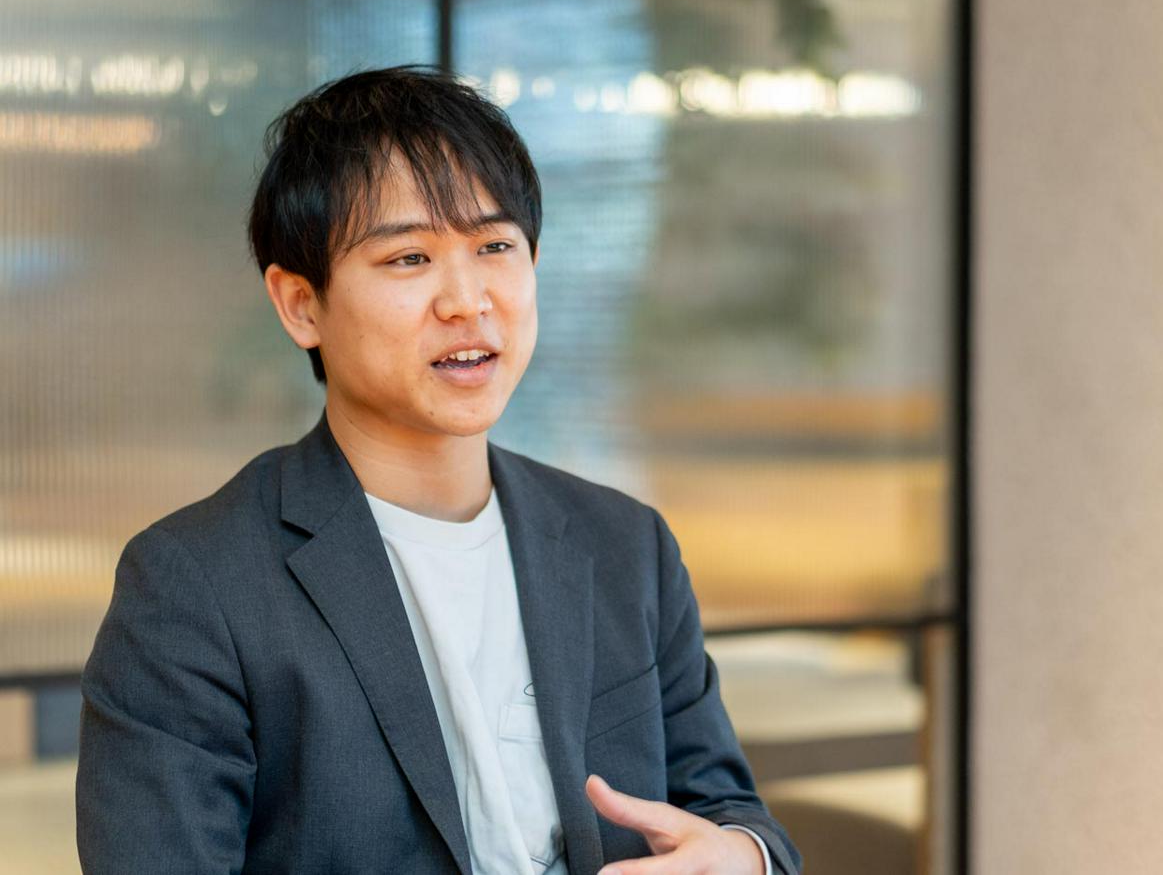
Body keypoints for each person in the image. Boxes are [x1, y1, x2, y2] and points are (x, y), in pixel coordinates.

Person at [76, 65, 803, 875]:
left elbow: (727, 813)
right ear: (301, 305)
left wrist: (742, 857)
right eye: (409, 257)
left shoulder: (625, 544)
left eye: (495, 247)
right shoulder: (196, 586)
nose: (467, 300)